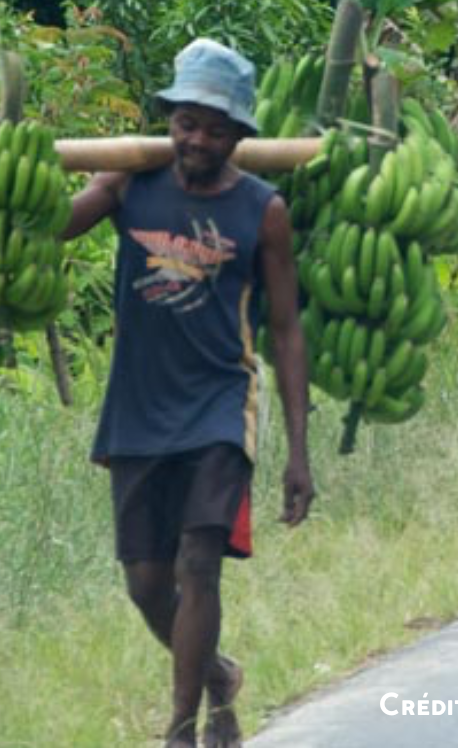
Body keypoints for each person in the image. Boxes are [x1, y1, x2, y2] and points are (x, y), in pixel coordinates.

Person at [64, 38, 315, 747]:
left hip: (218, 406)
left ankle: (180, 728)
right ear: (168, 120)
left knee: (199, 563)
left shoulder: (262, 210)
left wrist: (298, 452)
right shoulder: (129, 184)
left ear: (239, 133)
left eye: (214, 127)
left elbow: (287, 330)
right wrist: (4, 166)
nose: (197, 138)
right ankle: (214, 675)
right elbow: (54, 227)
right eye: (185, 123)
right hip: (138, 407)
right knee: (147, 582)